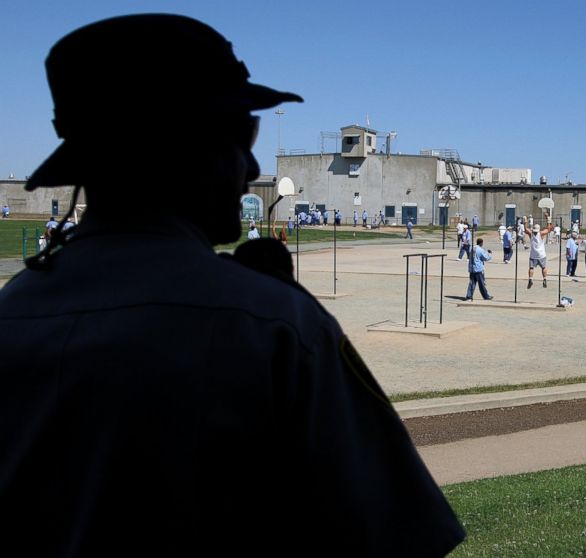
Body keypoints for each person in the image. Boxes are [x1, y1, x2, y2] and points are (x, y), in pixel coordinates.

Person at [0, 14, 462, 557]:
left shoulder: (13, 314)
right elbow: (400, 536)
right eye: (241, 136)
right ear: (181, 145)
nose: (250, 167)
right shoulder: (271, 326)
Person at [525, 216, 553, 288]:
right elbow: (548, 229)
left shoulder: (531, 234)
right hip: (541, 254)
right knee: (544, 267)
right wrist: (548, 221)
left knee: (531, 268)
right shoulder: (541, 233)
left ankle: (530, 279)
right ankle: (544, 279)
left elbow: (525, 229)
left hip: (533, 254)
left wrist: (525, 221)